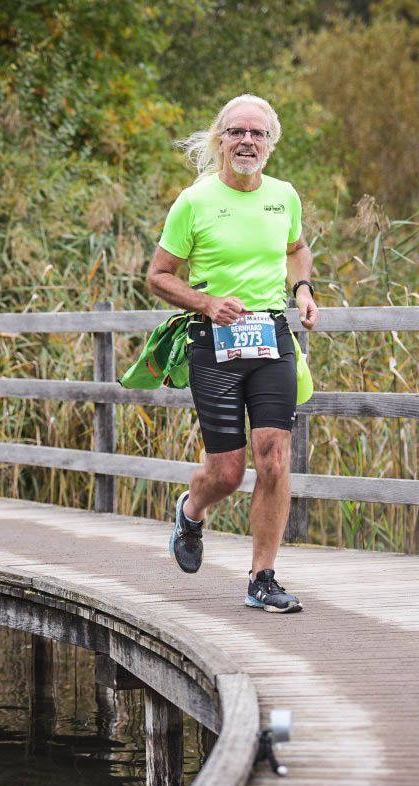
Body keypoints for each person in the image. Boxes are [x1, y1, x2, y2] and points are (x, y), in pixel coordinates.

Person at [146, 94, 318, 613]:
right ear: (221, 139)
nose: (248, 141)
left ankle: (262, 579)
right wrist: (207, 301)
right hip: (212, 341)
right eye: (238, 132)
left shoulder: (283, 196)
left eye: (258, 134)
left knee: (274, 455)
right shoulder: (194, 202)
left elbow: (297, 249)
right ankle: (191, 511)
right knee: (227, 472)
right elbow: (157, 275)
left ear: (271, 143)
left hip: (270, 337)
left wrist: (304, 290)